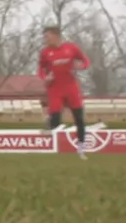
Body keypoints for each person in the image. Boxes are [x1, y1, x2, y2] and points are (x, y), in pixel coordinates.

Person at [39, 25, 91, 159]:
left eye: (47, 36)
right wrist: (46, 78)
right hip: (55, 89)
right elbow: (40, 69)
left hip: (71, 87)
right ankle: (50, 124)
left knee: (79, 118)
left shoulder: (71, 48)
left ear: (56, 35)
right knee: (55, 118)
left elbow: (85, 61)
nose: (45, 39)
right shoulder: (45, 52)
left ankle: (81, 148)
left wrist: (82, 66)